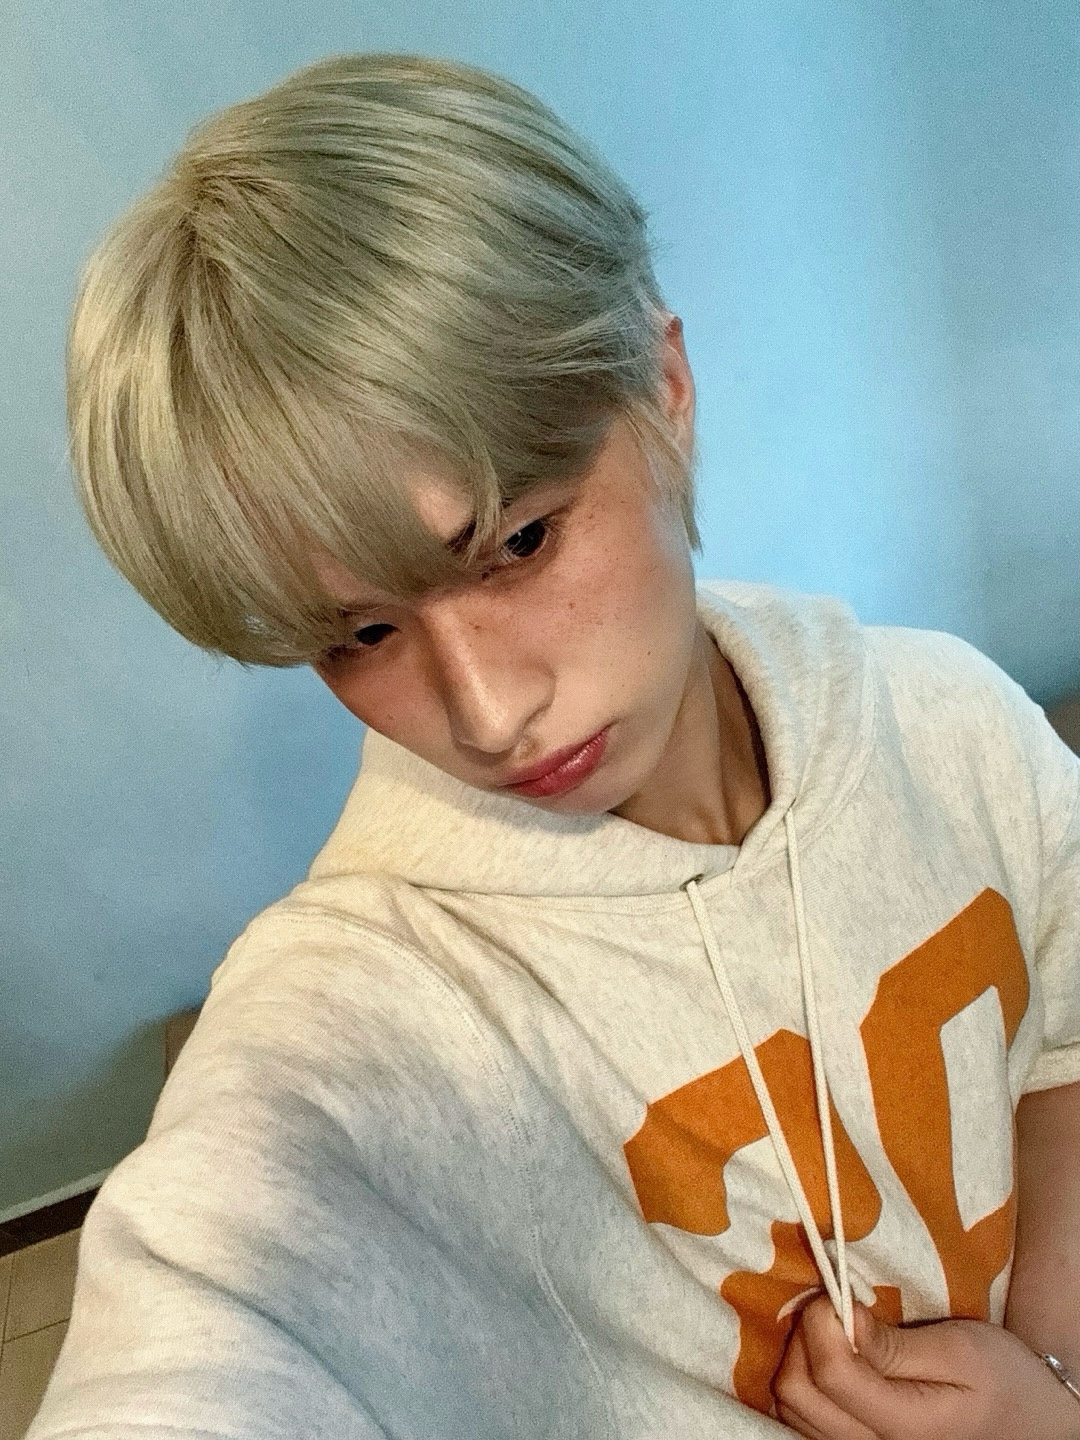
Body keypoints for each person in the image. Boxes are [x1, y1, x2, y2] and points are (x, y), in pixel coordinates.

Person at [27, 51, 1080, 1440]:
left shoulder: (950, 719)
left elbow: (1062, 1035)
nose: (484, 713)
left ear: (664, 383)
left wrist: (1050, 1386)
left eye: (517, 541)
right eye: (359, 635)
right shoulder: (364, 1014)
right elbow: (211, 1305)